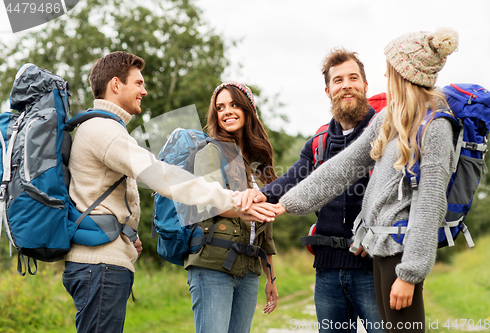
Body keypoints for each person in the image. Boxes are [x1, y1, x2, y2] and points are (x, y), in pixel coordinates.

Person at [62, 52, 276, 333]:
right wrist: (234, 200)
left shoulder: (107, 129)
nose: (144, 90)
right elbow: (162, 176)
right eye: (138, 83)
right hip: (99, 264)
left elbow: (100, 194)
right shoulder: (103, 130)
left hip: (106, 258)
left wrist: (127, 234)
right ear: (116, 84)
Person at [276, 28, 459, 332]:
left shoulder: (435, 126)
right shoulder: (389, 118)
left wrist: (409, 274)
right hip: (379, 255)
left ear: (406, 74)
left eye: (391, 72)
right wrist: (286, 204)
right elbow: (341, 167)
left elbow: (429, 206)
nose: (386, 78)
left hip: (399, 256)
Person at [258, 48, 383, 333]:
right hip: (327, 270)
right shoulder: (319, 141)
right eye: (338, 80)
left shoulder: (385, 132)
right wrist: (263, 195)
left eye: (353, 78)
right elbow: (293, 179)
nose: (346, 85)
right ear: (328, 90)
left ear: (365, 85)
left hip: (373, 267)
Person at [185, 82, 279, 333]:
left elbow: (266, 226)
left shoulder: (259, 161)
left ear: (248, 110)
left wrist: (271, 277)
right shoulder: (211, 151)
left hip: (249, 270)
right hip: (213, 264)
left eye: (234, 104)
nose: (227, 111)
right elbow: (207, 202)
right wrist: (246, 209)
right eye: (220, 107)